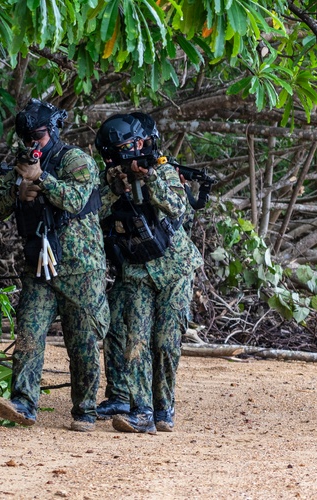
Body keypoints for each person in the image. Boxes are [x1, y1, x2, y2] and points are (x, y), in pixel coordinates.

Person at [0, 98, 109, 432]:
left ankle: (85, 409)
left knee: (82, 342)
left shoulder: (76, 159)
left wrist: (42, 179)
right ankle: (23, 403)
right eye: (26, 139)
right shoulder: (22, 162)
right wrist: (18, 190)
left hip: (81, 268)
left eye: (37, 137)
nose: (31, 145)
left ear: (52, 132)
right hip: (39, 264)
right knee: (29, 332)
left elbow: (76, 199)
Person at [95, 113, 203, 433]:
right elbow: (90, 213)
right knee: (136, 340)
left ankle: (163, 408)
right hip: (137, 272)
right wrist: (115, 188)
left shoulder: (165, 170)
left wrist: (150, 176)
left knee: (166, 342)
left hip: (175, 269)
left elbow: (177, 207)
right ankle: (141, 411)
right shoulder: (110, 178)